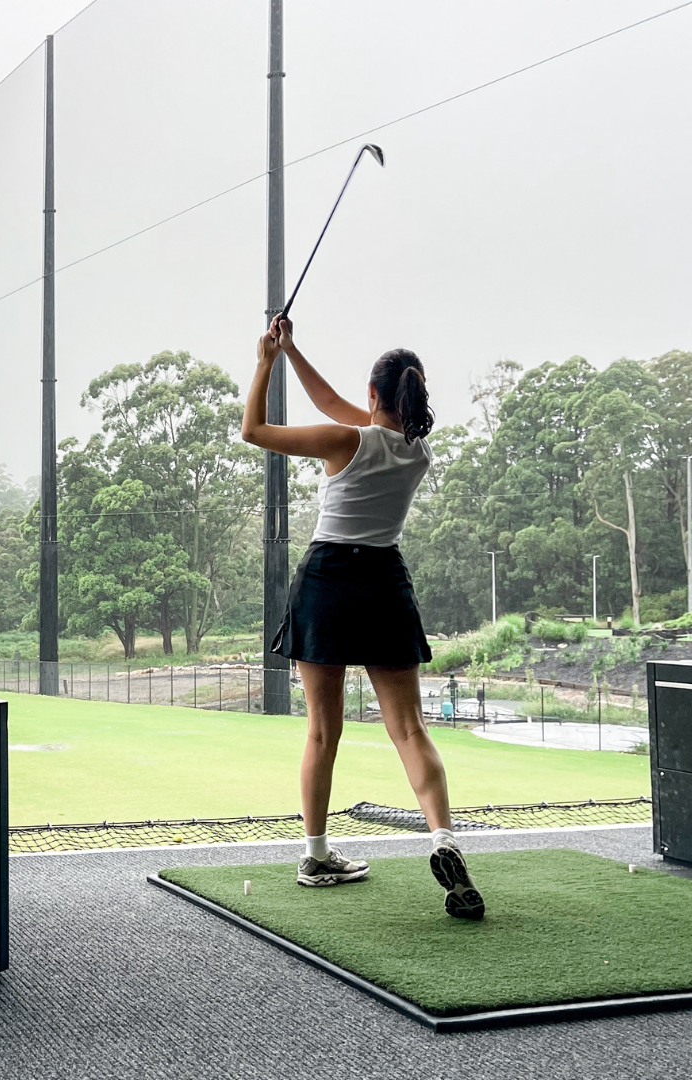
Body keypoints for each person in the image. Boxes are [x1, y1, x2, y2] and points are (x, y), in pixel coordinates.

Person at [239, 314, 483, 920]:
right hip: (383, 583)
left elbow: (253, 430)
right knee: (410, 729)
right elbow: (335, 402)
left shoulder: (343, 441)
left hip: (327, 583)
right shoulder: (415, 452)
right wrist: (294, 350)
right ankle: (443, 837)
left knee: (324, 730)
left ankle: (317, 854)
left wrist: (266, 358)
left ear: (373, 395)